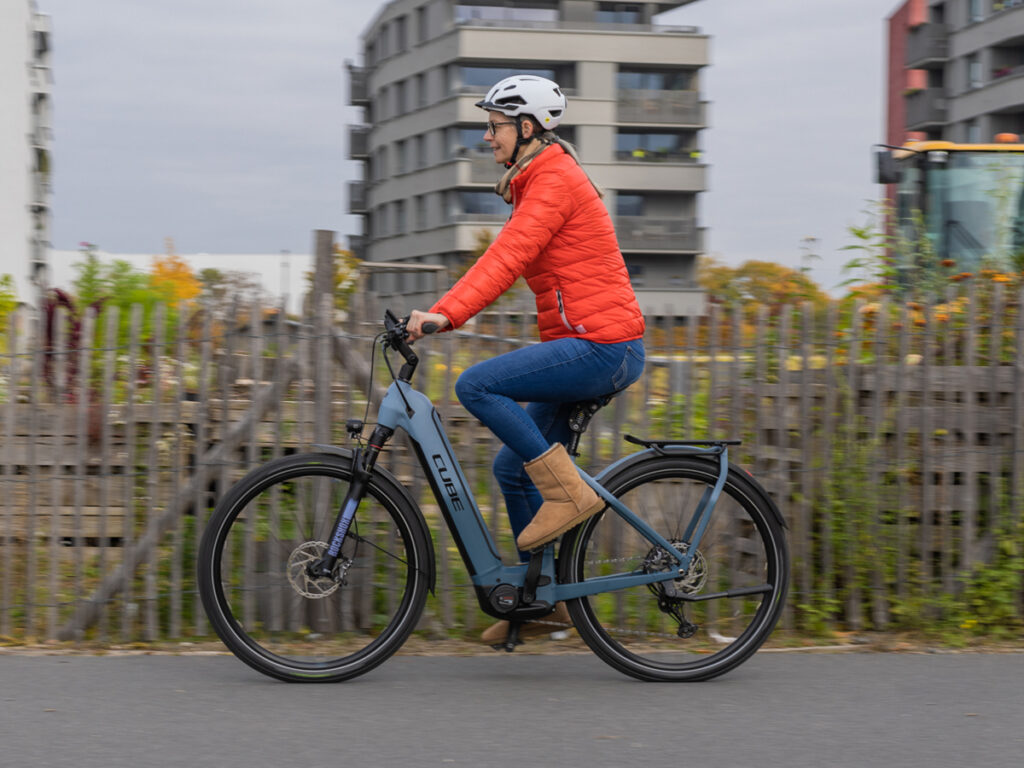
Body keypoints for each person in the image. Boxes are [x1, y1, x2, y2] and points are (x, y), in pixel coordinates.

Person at [405, 75, 646, 643]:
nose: (488, 137)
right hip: (590, 342)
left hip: (604, 345)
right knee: (512, 469)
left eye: (496, 126)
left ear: (528, 128)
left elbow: (506, 257)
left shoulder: (554, 180)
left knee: (477, 387)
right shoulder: (536, 179)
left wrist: (445, 313)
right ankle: (544, 603)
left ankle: (568, 494)